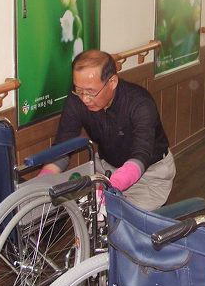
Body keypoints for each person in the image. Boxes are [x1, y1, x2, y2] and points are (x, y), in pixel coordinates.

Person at [40, 49, 176, 211]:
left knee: (125, 220)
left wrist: (109, 186)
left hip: (149, 174)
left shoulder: (139, 103)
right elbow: (63, 147)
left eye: (91, 92)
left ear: (112, 82)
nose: (84, 99)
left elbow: (141, 155)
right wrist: (42, 183)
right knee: (94, 219)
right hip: (107, 169)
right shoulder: (77, 99)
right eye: (79, 90)